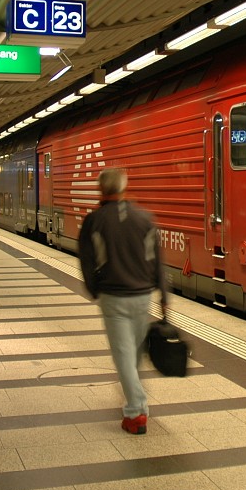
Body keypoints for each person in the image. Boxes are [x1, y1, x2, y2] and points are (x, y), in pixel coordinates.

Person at [79, 168, 168, 436]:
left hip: (113, 297)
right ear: (124, 188)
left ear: (100, 190)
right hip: (142, 297)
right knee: (135, 354)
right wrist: (164, 295)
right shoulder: (145, 218)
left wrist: (96, 290)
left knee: (124, 357)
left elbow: (87, 261)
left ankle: (136, 412)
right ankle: (136, 401)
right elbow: (157, 261)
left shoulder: (93, 221)